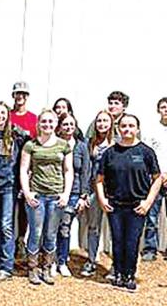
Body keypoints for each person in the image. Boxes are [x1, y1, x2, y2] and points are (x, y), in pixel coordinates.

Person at [96, 113, 161, 290]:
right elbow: (99, 179)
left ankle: (129, 275)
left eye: (131, 126)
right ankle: (118, 273)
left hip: (137, 206)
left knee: (132, 241)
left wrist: (147, 202)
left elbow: (157, 179)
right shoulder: (110, 153)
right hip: (115, 205)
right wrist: (102, 199)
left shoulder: (146, 152)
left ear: (137, 129)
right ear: (118, 128)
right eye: (124, 126)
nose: (127, 129)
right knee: (117, 240)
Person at [20, 109, 73, 285]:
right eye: (44, 121)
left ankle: (46, 268)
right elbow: (23, 170)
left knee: (50, 234)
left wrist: (66, 194)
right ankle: (32, 269)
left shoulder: (64, 145)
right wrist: (27, 192)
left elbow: (68, 171)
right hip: (37, 195)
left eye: (51, 122)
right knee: (35, 232)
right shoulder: (30, 145)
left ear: (56, 124)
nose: (47, 125)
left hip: (56, 196)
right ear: (39, 124)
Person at [0, 101, 26, 283]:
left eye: (3, 113)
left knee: (5, 225)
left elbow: (28, 152)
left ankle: (6, 267)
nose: (0, 116)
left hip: (8, 186)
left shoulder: (17, 133)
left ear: (8, 115)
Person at [53, 113, 90, 277]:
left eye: (71, 124)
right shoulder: (53, 143)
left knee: (65, 228)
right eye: (65, 124)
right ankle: (50, 261)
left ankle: (62, 261)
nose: (68, 127)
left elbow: (85, 172)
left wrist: (83, 195)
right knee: (52, 228)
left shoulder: (81, 146)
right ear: (59, 126)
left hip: (73, 192)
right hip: (54, 190)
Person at [80, 110, 115, 277]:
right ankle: (91, 260)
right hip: (94, 190)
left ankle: (116, 265)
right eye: (99, 121)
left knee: (115, 229)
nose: (102, 124)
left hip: (113, 192)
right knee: (93, 227)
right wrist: (85, 191)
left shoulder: (117, 142)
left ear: (111, 123)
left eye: (105, 121)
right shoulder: (89, 143)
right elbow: (86, 169)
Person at [10, 81, 37, 258]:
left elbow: (37, 144)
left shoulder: (33, 118)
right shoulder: (7, 115)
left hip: (26, 168)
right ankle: (7, 244)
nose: (20, 97)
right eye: (17, 93)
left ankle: (21, 240)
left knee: (25, 208)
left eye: (24, 94)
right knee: (8, 208)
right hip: (9, 169)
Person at [141, 97, 167, 261]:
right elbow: (146, 155)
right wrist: (157, 175)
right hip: (155, 178)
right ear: (158, 110)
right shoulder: (151, 130)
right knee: (151, 217)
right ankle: (150, 249)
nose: (166, 110)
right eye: (163, 107)